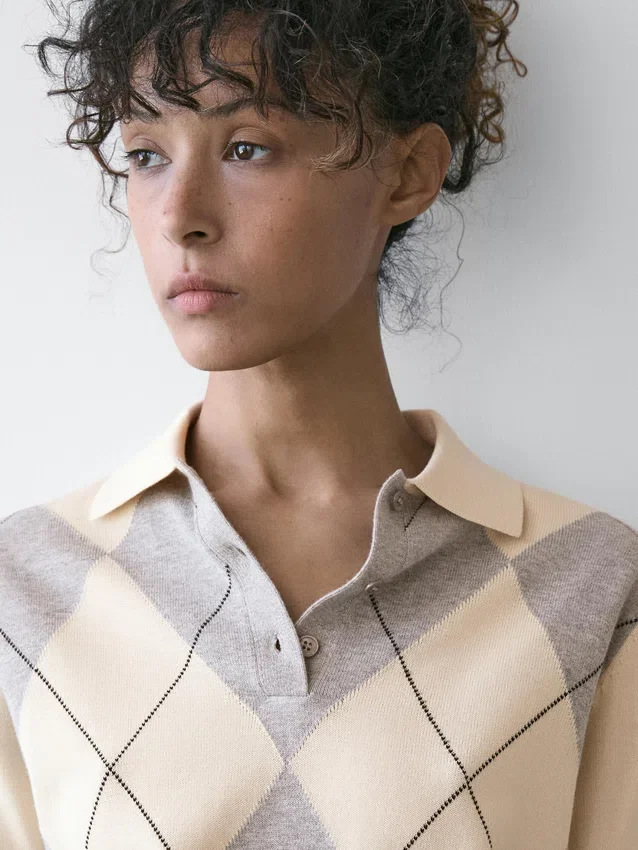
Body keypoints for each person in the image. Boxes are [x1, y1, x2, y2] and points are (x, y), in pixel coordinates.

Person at [1, 1, 636, 847]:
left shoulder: (589, 584)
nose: (179, 215)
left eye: (246, 148)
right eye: (146, 155)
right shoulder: (25, 590)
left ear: (407, 173)